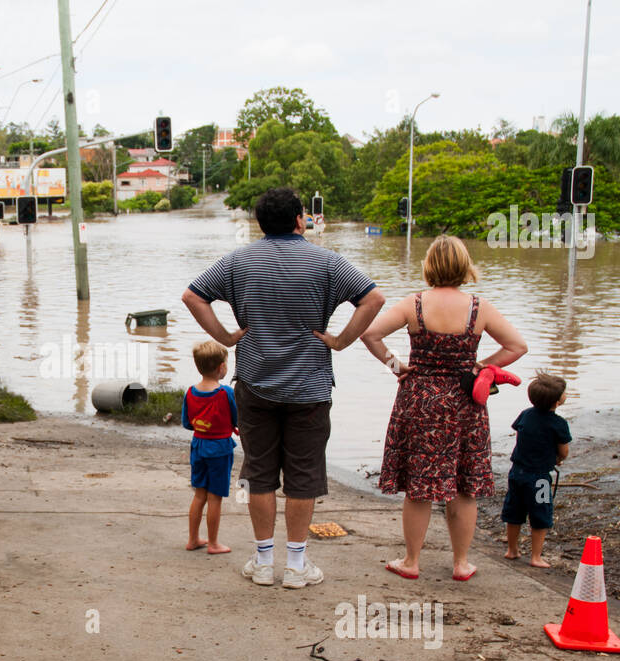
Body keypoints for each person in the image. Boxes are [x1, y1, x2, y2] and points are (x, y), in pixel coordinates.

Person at [183, 187, 385, 589]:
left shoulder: (238, 261)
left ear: (260, 224)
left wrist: (226, 335)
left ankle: (262, 563)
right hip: (310, 388)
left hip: (255, 384)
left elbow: (193, 296)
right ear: (300, 220)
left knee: (258, 474)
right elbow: (373, 299)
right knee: (303, 476)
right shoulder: (327, 262)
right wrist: (340, 342)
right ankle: (295, 565)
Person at [328, 235, 526, 581]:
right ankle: (461, 563)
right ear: (465, 267)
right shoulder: (480, 308)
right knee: (463, 485)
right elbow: (517, 345)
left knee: (419, 485)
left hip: (419, 400)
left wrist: (395, 365)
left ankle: (411, 561)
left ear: (429, 266)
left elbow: (370, 335)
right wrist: (480, 367)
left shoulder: (414, 305)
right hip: (464, 403)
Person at [502, 373, 571, 568]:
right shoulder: (558, 424)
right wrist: (558, 459)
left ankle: (512, 549)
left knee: (514, 510)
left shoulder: (525, 414)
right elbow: (564, 451)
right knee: (541, 513)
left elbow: (521, 435)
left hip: (517, 473)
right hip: (539, 478)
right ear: (557, 401)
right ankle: (536, 556)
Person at [181, 340, 239, 555]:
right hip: (220, 449)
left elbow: (187, 422)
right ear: (221, 368)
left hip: (198, 445)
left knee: (199, 495)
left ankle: (193, 538)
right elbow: (237, 418)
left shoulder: (190, 392)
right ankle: (214, 543)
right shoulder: (226, 393)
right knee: (215, 497)